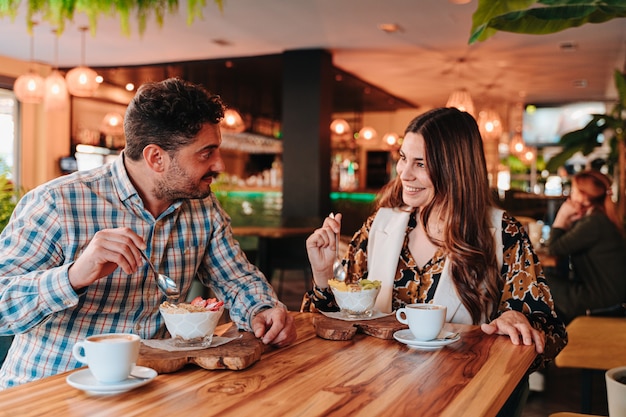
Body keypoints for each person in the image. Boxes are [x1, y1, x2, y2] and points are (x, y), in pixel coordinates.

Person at [0, 78, 296, 389]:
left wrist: (262, 309)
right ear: (156, 157)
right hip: (47, 391)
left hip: (150, 388)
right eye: (206, 153)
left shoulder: (201, 206)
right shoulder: (57, 203)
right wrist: (73, 276)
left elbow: (236, 278)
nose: (220, 164)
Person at [304, 107, 567, 417]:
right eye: (403, 158)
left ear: (455, 168)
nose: (404, 173)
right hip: (376, 392)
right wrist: (322, 277)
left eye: (421, 163)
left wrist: (517, 322)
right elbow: (337, 325)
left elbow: (550, 334)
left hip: (459, 398)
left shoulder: (500, 233)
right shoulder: (381, 225)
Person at [546, 169, 626, 324]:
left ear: (583, 196)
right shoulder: (598, 218)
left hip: (603, 300)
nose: (570, 195)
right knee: (551, 279)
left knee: (540, 279)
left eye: (574, 191)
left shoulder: (593, 223)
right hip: (611, 295)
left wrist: (562, 216)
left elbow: (553, 249)